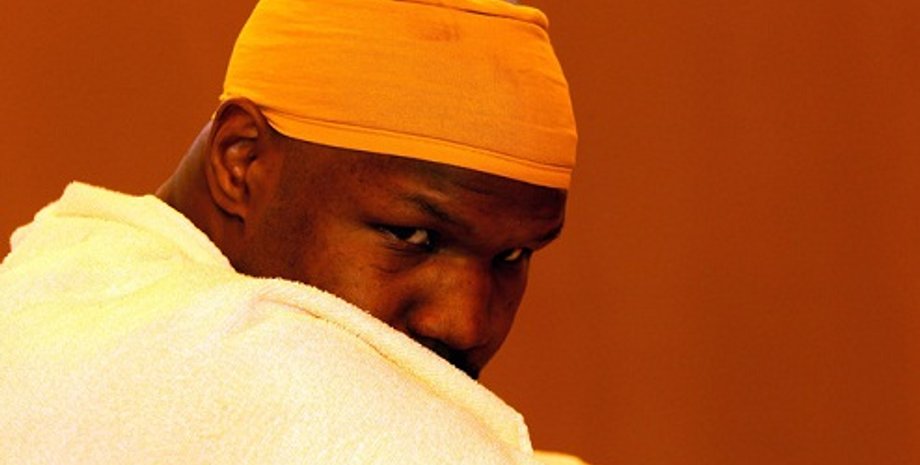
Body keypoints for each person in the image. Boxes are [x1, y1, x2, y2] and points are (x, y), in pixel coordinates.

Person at [0, 0, 584, 463]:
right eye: (411, 237)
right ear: (242, 160)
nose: (466, 323)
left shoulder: (47, 294)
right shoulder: (275, 368)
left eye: (513, 254)